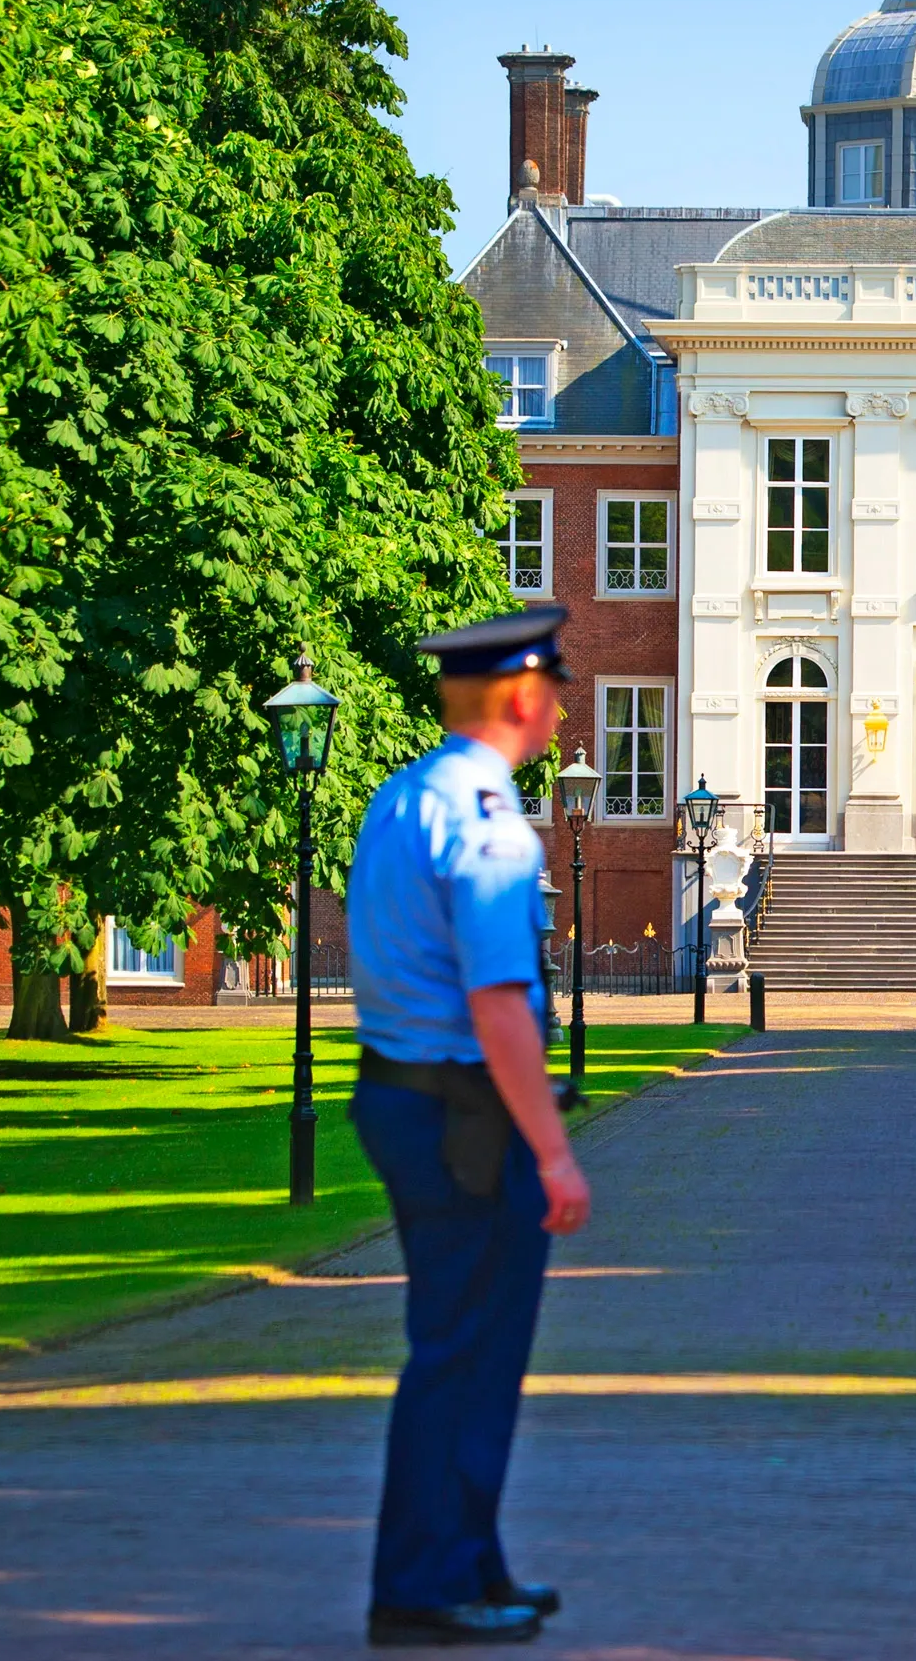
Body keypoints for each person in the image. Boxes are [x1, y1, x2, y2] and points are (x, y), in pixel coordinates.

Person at [346, 608, 592, 1647]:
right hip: (467, 1118)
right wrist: (552, 1147)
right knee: (469, 1348)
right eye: (557, 691)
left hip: (398, 1091)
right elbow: (499, 1001)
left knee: (454, 1337)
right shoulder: (492, 823)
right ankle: (428, 1578)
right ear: (526, 697)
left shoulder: (399, 797)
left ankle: (468, 1555)